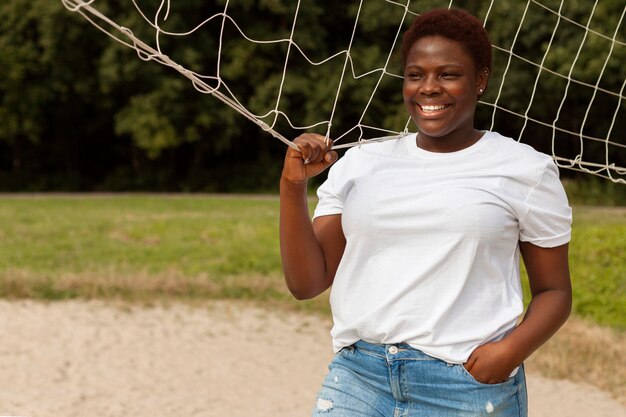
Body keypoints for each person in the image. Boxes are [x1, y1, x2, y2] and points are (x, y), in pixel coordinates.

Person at [279, 8, 572, 417]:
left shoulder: (525, 169)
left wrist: (508, 353)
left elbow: (555, 292)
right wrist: (293, 187)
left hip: (463, 385)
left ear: (481, 80)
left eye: (448, 74)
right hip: (360, 377)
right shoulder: (361, 163)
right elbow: (306, 283)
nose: (429, 88)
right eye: (416, 75)